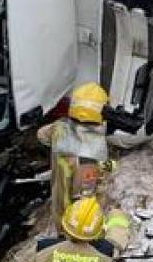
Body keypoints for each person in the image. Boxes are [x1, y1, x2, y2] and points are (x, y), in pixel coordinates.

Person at [37, 82, 114, 225]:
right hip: (74, 223)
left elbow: (41, 135)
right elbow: (85, 199)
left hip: (59, 203)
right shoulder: (91, 156)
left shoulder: (59, 127)